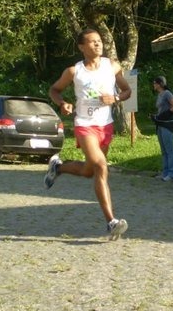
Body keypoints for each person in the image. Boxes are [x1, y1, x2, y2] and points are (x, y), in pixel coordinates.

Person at [44, 28, 132, 240]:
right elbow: (54, 90)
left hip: (106, 125)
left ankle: (58, 167)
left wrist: (116, 99)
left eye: (99, 41)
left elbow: (127, 91)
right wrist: (63, 103)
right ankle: (111, 222)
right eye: (92, 42)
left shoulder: (112, 66)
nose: (98, 45)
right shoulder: (74, 72)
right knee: (101, 166)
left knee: (89, 171)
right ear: (82, 47)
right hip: (85, 125)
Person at [151, 76, 173, 182]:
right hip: (160, 124)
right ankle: (165, 173)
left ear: (160, 84)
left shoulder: (167, 93)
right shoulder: (160, 95)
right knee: (163, 151)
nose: (153, 85)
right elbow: (161, 109)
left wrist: (165, 114)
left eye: (155, 83)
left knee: (170, 150)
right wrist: (156, 116)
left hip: (167, 124)